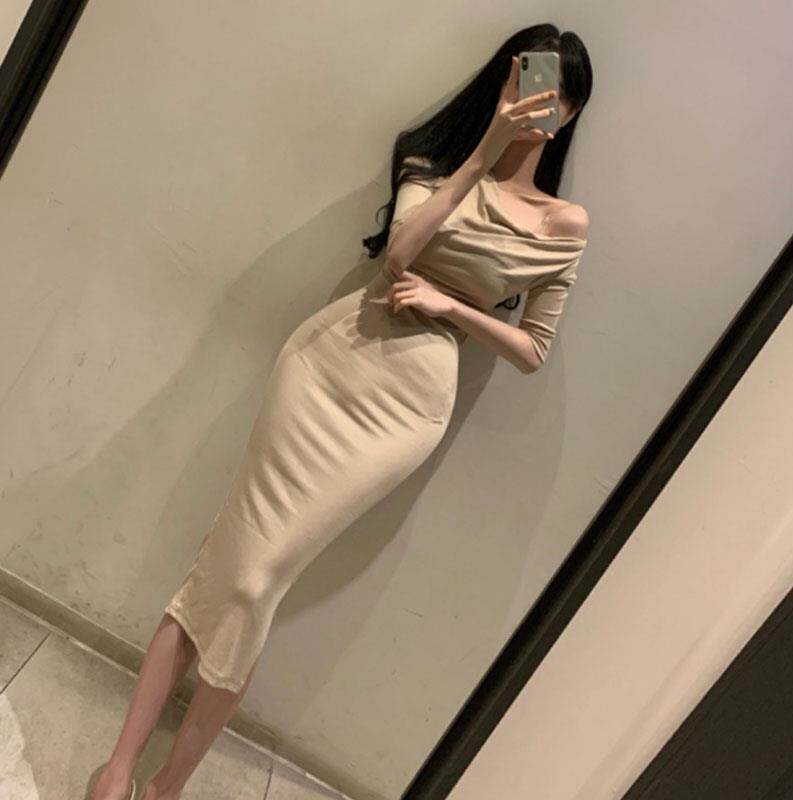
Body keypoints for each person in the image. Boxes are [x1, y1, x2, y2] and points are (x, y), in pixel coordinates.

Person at [88, 24, 592, 800]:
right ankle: (122, 772)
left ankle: (163, 786)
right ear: (501, 82)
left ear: (570, 113)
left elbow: (533, 349)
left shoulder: (566, 225)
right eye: (523, 81)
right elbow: (400, 253)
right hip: (327, 365)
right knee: (229, 564)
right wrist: (485, 151)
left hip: (407, 409)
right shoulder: (436, 165)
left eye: (554, 96)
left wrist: (454, 310)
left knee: (256, 581)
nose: (534, 104)